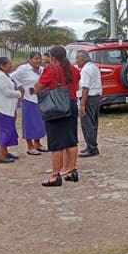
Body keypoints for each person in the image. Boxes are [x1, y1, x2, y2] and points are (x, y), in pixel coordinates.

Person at [32, 45, 81, 186]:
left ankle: (55, 175)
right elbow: (76, 87)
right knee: (71, 140)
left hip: (55, 107)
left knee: (56, 143)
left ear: (53, 58)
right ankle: (71, 171)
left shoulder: (50, 70)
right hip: (71, 104)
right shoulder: (74, 70)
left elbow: (38, 87)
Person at [10, 51, 47, 155]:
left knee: (40, 123)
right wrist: (20, 87)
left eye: (40, 58)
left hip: (40, 100)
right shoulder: (24, 69)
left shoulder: (42, 70)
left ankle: (37, 143)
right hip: (28, 100)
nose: (38, 61)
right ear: (29, 59)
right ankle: (30, 146)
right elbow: (11, 77)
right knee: (29, 123)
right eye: (36, 58)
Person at [0, 57, 22, 164]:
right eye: (8, 64)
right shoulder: (0, 77)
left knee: (9, 130)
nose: (11, 66)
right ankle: (1, 154)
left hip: (8, 108)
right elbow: (7, 92)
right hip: (2, 109)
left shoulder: (5, 76)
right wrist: (19, 93)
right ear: (2, 66)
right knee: (5, 131)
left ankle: (5, 152)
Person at [76, 50, 102, 157]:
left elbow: (85, 88)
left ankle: (92, 147)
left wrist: (82, 104)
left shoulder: (86, 70)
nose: (76, 61)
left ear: (82, 59)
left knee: (87, 124)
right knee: (93, 123)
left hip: (88, 98)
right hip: (95, 97)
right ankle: (91, 145)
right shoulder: (94, 67)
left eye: (77, 59)